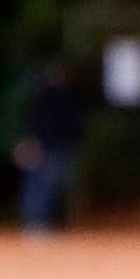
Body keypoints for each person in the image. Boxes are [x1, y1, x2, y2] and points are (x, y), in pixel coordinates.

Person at [12, 58, 88, 238]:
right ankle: (34, 225)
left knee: (45, 186)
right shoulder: (48, 96)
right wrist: (29, 142)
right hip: (44, 146)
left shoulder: (56, 95)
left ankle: (37, 225)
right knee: (39, 186)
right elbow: (34, 123)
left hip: (56, 146)